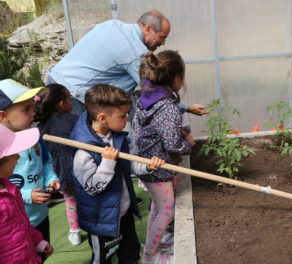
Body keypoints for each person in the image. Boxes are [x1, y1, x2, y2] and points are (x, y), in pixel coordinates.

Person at [46, 9, 207, 117]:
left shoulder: (112, 25)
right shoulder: (134, 51)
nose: (163, 43)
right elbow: (154, 91)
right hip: (73, 96)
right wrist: (186, 107)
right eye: (162, 36)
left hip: (55, 82)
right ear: (149, 29)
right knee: (75, 150)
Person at [69, 84, 165, 263]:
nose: (127, 119)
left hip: (123, 211)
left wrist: (147, 166)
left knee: (130, 254)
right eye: (123, 116)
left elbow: (130, 165)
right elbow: (91, 188)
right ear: (103, 117)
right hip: (102, 220)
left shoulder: (117, 137)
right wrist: (107, 162)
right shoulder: (83, 151)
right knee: (103, 258)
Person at [132, 50, 193, 263]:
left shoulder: (145, 97)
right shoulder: (168, 108)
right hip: (158, 168)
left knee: (157, 207)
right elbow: (173, 144)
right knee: (167, 211)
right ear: (176, 79)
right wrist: (187, 144)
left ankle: (153, 243)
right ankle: (150, 256)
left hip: (146, 162)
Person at [0, 79, 60, 261]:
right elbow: (7, 187)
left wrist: (51, 178)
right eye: (26, 109)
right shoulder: (4, 149)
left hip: (37, 219)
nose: (34, 112)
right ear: (3, 116)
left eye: (32, 106)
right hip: (13, 226)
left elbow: (46, 162)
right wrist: (28, 196)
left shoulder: (33, 137)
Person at [34, 83, 82, 246]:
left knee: (70, 200)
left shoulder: (39, 128)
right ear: (62, 103)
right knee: (88, 198)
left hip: (57, 173)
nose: (71, 102)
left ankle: (74, 230)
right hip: (79, 168)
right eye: (69, 99)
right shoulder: (74, 120)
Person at [0, 124, 54, 263]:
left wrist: (38, 242)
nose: (18, 156)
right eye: (13, 154)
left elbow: (22, 223)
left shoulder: (10, 187)